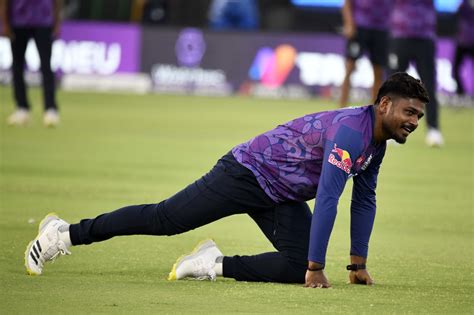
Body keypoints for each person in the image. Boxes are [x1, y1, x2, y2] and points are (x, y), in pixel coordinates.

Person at [25, 73, 428, 288]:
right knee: (165, 220)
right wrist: (318, 266)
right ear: (384, 104)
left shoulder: (377, 145)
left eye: (419, 117)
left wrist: (356, 264)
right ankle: (64, 234)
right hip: (247, 171)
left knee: (295, 266)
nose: (413, 122)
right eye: (408, 112)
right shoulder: (351, 133)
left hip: (281, 194)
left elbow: (364, 201)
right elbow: (327, 199)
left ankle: (211, 264)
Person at [388, 0, 443, 147]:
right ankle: (391, 130)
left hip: (425, 36)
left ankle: (433, 129)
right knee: (394, 86)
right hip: (400, 33)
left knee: (428, 85)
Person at [0, 0, 62, 127]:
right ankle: (22, 108)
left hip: (43, 20)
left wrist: (57, 21)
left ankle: (50, 109)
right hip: (18, 20)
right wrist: (5, 23)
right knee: (17, 66)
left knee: (46, 66)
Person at [339, 0, 392, 108]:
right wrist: (349, 23)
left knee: (379, 72)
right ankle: (341, 110)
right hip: (359, 27)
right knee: (350, 68)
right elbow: (347, 4)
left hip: (381, 29)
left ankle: (375, 111)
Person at [453, 0, 474, 97]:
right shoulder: (463, 4)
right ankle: (460, 92)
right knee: (455, 68)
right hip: (462, 41)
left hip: (470, 42)